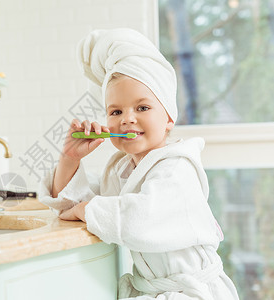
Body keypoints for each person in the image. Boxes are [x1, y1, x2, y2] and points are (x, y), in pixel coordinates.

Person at [39, 28, 239, 300]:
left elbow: (137, 219)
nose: (127, 119)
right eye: (116, 111)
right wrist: (69, 159)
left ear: (169, 117)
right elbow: (75, 205)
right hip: (155, 289)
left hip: (194, 292)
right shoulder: (121, 170)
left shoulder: (178, 167)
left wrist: (87, 209)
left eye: (142, 108)